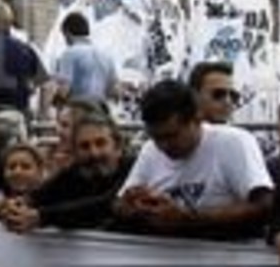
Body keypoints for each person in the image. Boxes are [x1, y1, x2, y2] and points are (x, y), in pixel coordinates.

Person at [116, 80, 274, 241]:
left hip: (227, 246)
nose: (163, 146)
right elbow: (119, 204)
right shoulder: (150, 150)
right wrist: (132, 207)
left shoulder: (233, 142)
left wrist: (188, 219)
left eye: (172, 136)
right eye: (157, 138)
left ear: (197, 119)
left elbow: (264, 206)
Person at [3, 113, 133, 233]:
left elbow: (107, 203)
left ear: (118, 147)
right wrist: (18, 205)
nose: (94, 153)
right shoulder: (75, 172)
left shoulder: (133, 169)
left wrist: (41, 217)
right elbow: (41, 195)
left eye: (100, 143)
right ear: (75, 153)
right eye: (84, 146)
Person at [51, 12, 118, 104]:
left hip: (78, 108)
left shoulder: (69, 53)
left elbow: (64, 89)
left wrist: (53, 102)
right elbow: (113, 91)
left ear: (67, 32)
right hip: (100, 109)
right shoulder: (106, 55)